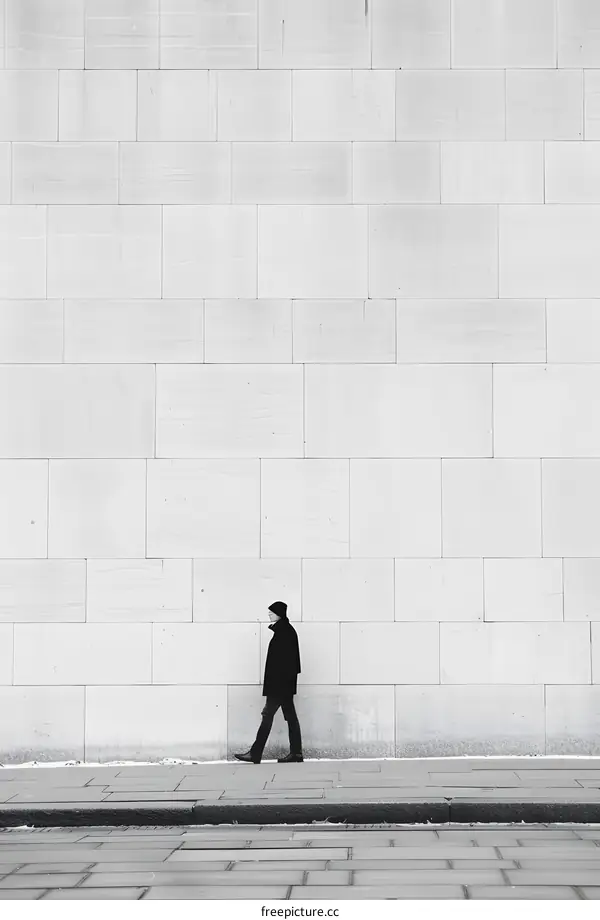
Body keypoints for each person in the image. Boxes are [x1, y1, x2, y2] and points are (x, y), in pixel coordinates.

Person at [235, 601, 303, 764]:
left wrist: (278, 686)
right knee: (290, 718)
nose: (269, 614)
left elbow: (286, 663)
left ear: (280, 613)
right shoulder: (284, 631)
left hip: (279, 686)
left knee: (268, 716)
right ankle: (296, 753)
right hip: (282, 685)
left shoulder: (284, 632)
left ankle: (256, 753)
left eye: (272, 612)